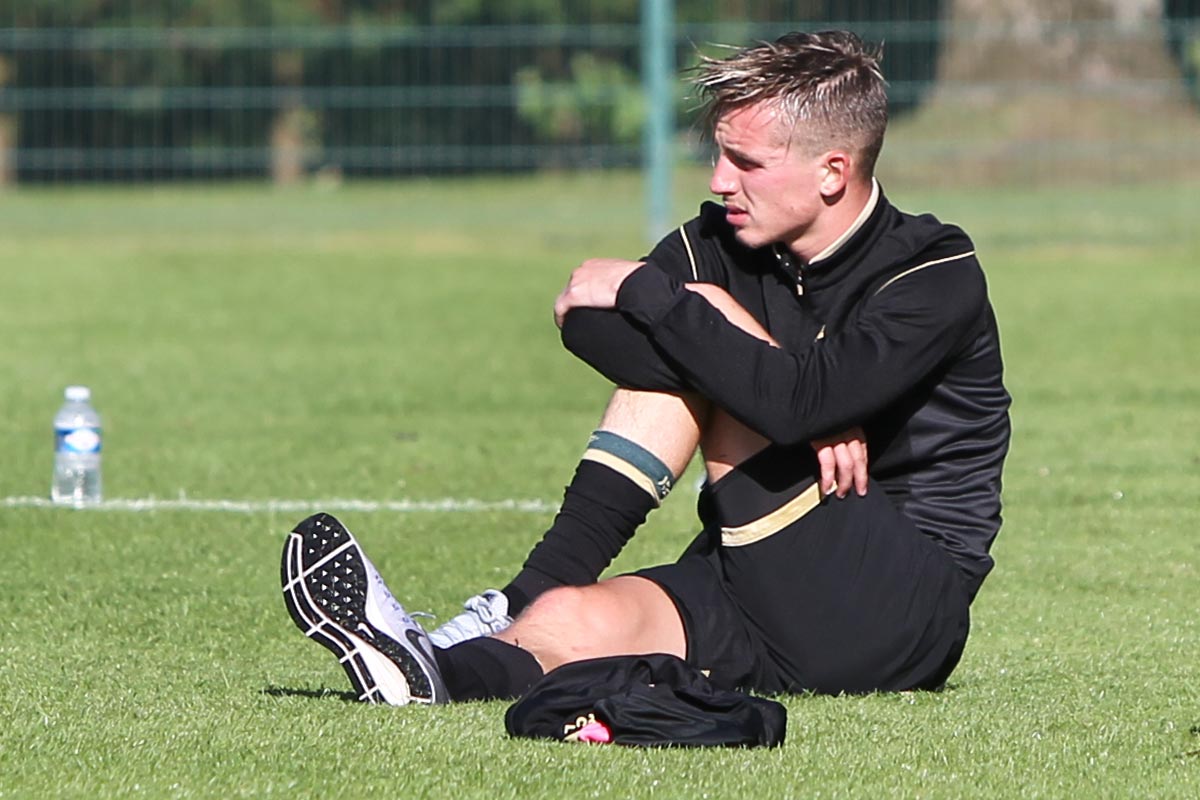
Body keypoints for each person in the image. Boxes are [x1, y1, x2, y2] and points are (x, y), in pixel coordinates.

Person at [280, 30, 1011, 706]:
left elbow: (781, 398)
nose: (721, 180)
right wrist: (777, 388)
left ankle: (519, 592)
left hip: (898, 609)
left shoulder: (931, 270)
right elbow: (589, 325)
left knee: (706, 323)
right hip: (753, 574)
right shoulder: (724, 241)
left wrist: (671, 302)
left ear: (832, 172)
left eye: (747, 162)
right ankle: (435, 671)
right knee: (571, 616)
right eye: (720, 154)